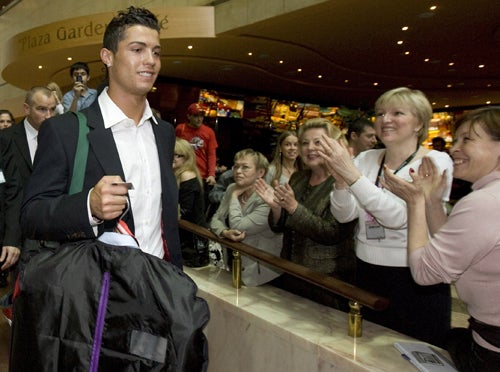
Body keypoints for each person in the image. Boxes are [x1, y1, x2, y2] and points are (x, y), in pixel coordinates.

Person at [21, 7, 182, 266]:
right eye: (137, 49)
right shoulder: (66, 131)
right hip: (99, 293)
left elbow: (164, 222)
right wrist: (88, 207)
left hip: (160, 287)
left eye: (156, 52)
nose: (150, 60)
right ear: (107, 56)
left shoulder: (163, 133)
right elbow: (32, 216)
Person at [322, 87, 454, 346]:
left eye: (397, 113)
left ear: (419, 123)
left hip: (416, 279)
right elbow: (344, 214)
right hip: (368, 272)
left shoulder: (436, 161)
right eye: (381, 113)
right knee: (370, 351)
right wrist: (339, 183)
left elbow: (398, 217)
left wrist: (351, 176)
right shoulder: (366, 158)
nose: (386, 119)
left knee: (415, 353)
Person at [382, 106, 500, 371]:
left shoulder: (485, 202)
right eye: (455, 139)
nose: (454, 148)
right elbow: (452, 249)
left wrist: (414, 203)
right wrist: (433, 201)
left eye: (467, 139)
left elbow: (426, 272)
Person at [255, 118, 357, 310]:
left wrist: (293, 207)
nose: (310, 148)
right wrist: (276, 208)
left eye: (318, 142)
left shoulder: (344, 182)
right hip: (291, 272)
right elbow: (280, 226)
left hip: (327, 282)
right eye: (305, 143)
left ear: (334, 145)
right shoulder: (299, 178)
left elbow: (332, 232)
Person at [210, 148, 282, 286]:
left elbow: (239, 226)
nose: (238, 171)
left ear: (260, 172)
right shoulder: (232, 187)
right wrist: (225, 232)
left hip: (262, 273)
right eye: (236, 166)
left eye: (245, 167)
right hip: (233, 263)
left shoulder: (268, 197)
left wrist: (235, 197)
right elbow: (215, 219)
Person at [173, 138, 209, 267]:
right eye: (172, 154)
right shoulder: (177, 174)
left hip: (192, 238)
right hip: (186, 235)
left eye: (179, 155)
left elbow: (185, 211)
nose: (175, 158)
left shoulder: (186, 175)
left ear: (187, 158)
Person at [175, 103, 218, 187]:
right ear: (189, 116)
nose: (199, 119)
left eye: (201, 116)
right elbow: (174, 150)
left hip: (202, 174)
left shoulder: (209, 132)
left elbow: (211, 155)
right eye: (196, 116)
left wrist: (211, 174)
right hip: (183, 172)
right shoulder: (181, 129)